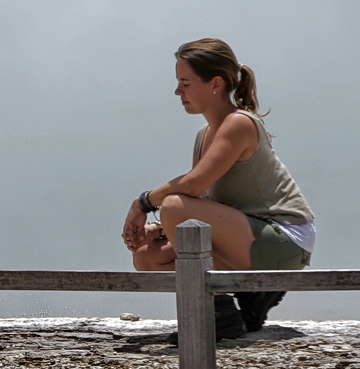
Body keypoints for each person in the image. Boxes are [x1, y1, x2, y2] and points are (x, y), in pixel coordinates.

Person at [122, 38, 315, 340]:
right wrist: (158, 230)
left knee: (173, 204)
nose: (177, 92)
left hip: (283, 240)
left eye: (185, 83)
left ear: (215, 84)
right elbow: (203, 200)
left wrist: (142, 204)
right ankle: (248, 302)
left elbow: (192, 186)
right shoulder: (205, 134)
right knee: (148, 256)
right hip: (248, 236)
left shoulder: (239, 123)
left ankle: (218, 314)